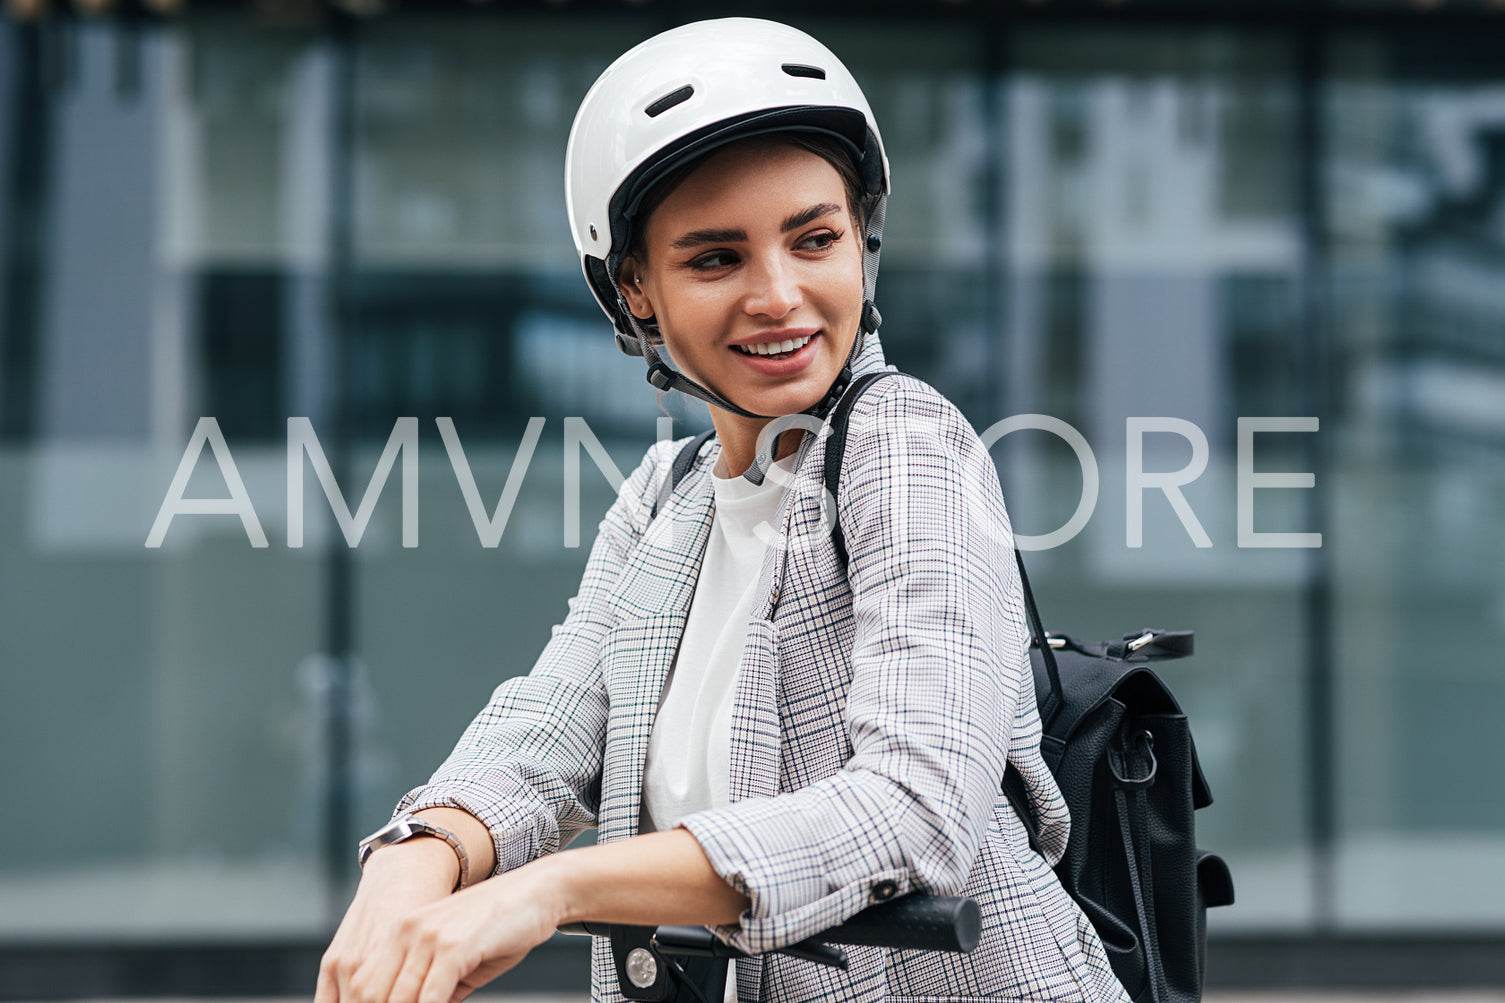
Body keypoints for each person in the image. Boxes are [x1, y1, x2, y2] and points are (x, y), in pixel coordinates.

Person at [316, 18, 1130, 1003]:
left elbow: (911, 810)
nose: (778, 295)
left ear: (860, 248)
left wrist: (553, 889)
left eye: (813, 239)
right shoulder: (666, 500)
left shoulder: (906, 447)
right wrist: (413, 855)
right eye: (714, 259)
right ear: (634, 291)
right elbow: (543, 736)